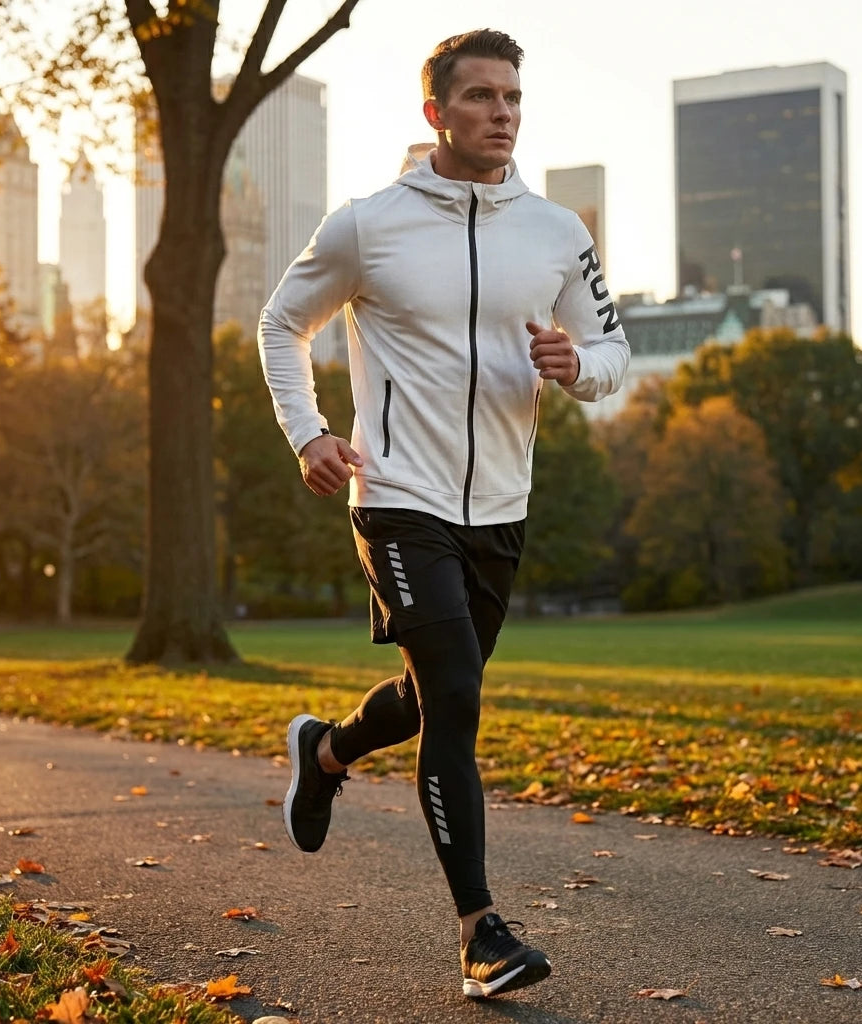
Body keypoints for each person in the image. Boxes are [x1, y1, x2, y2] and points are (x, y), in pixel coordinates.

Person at [257, 28, 629, 999]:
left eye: (511, 97)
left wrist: (579, 369)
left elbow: (612, 350)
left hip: (500, 506)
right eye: (479, 97)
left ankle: (326, 748)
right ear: (436, 113)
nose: (501, 112)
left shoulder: (557, 231)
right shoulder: (366, 225)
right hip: (396, 497)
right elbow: (279, 323)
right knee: (457, 692)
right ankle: (481, 934)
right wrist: (308, 435)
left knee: (433, 698)